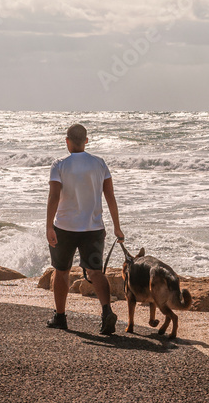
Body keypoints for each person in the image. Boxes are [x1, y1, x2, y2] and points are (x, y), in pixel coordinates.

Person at [45, 123, 125, 334]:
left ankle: (60, 317)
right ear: (86, 141)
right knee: (96, 272)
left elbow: (53, 197)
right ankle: (106, 312)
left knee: (61, 272)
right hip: (93, 227)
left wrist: (48, 227)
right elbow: (110, 197)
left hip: (64, 227)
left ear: (67, 141)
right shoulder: (99, 164)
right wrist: (117, 227)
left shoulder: (59, 165)